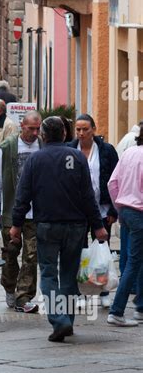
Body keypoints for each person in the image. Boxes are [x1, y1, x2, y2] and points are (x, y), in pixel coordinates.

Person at [10, 116, 108, 342]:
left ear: (43, 136)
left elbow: (22, 196)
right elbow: (88, 197)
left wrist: (16, 225)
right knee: (69, 276)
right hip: (76, 226)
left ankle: (59, 319)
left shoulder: (35, 161)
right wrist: (98, 226)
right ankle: (67, 321)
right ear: (64, 135)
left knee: (48, 273)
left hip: (47, 226)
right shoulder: (77, 157)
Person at [0, 111, 42, 313]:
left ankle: (24, 296)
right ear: (22, 125)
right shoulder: (7, 148)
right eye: (31, 129)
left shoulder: (42, 146)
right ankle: (10, 288)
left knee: (32, 256)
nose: (35, 133)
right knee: (10, 254)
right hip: (11, 212)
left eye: (38, 129)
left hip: (35, 214)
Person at [69, 114, 118, 309]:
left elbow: (116, 179)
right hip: (77, 211)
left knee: (101, 251)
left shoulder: (106, 151)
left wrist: (114, 208)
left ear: (94, 130)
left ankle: (103, 289)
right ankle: (82, 292)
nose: (81, 133)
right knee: (81, 253)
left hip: (102, 209)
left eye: (85, 129)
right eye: (78, 130)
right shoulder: (70, 150)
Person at [107, 124, 143, 327]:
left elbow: (112, 183)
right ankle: (117, 311)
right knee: (134, 262)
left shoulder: (129, 153)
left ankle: (140, 307)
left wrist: (119, 207)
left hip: (127, 210)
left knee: (136, 259)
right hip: (139, 211)